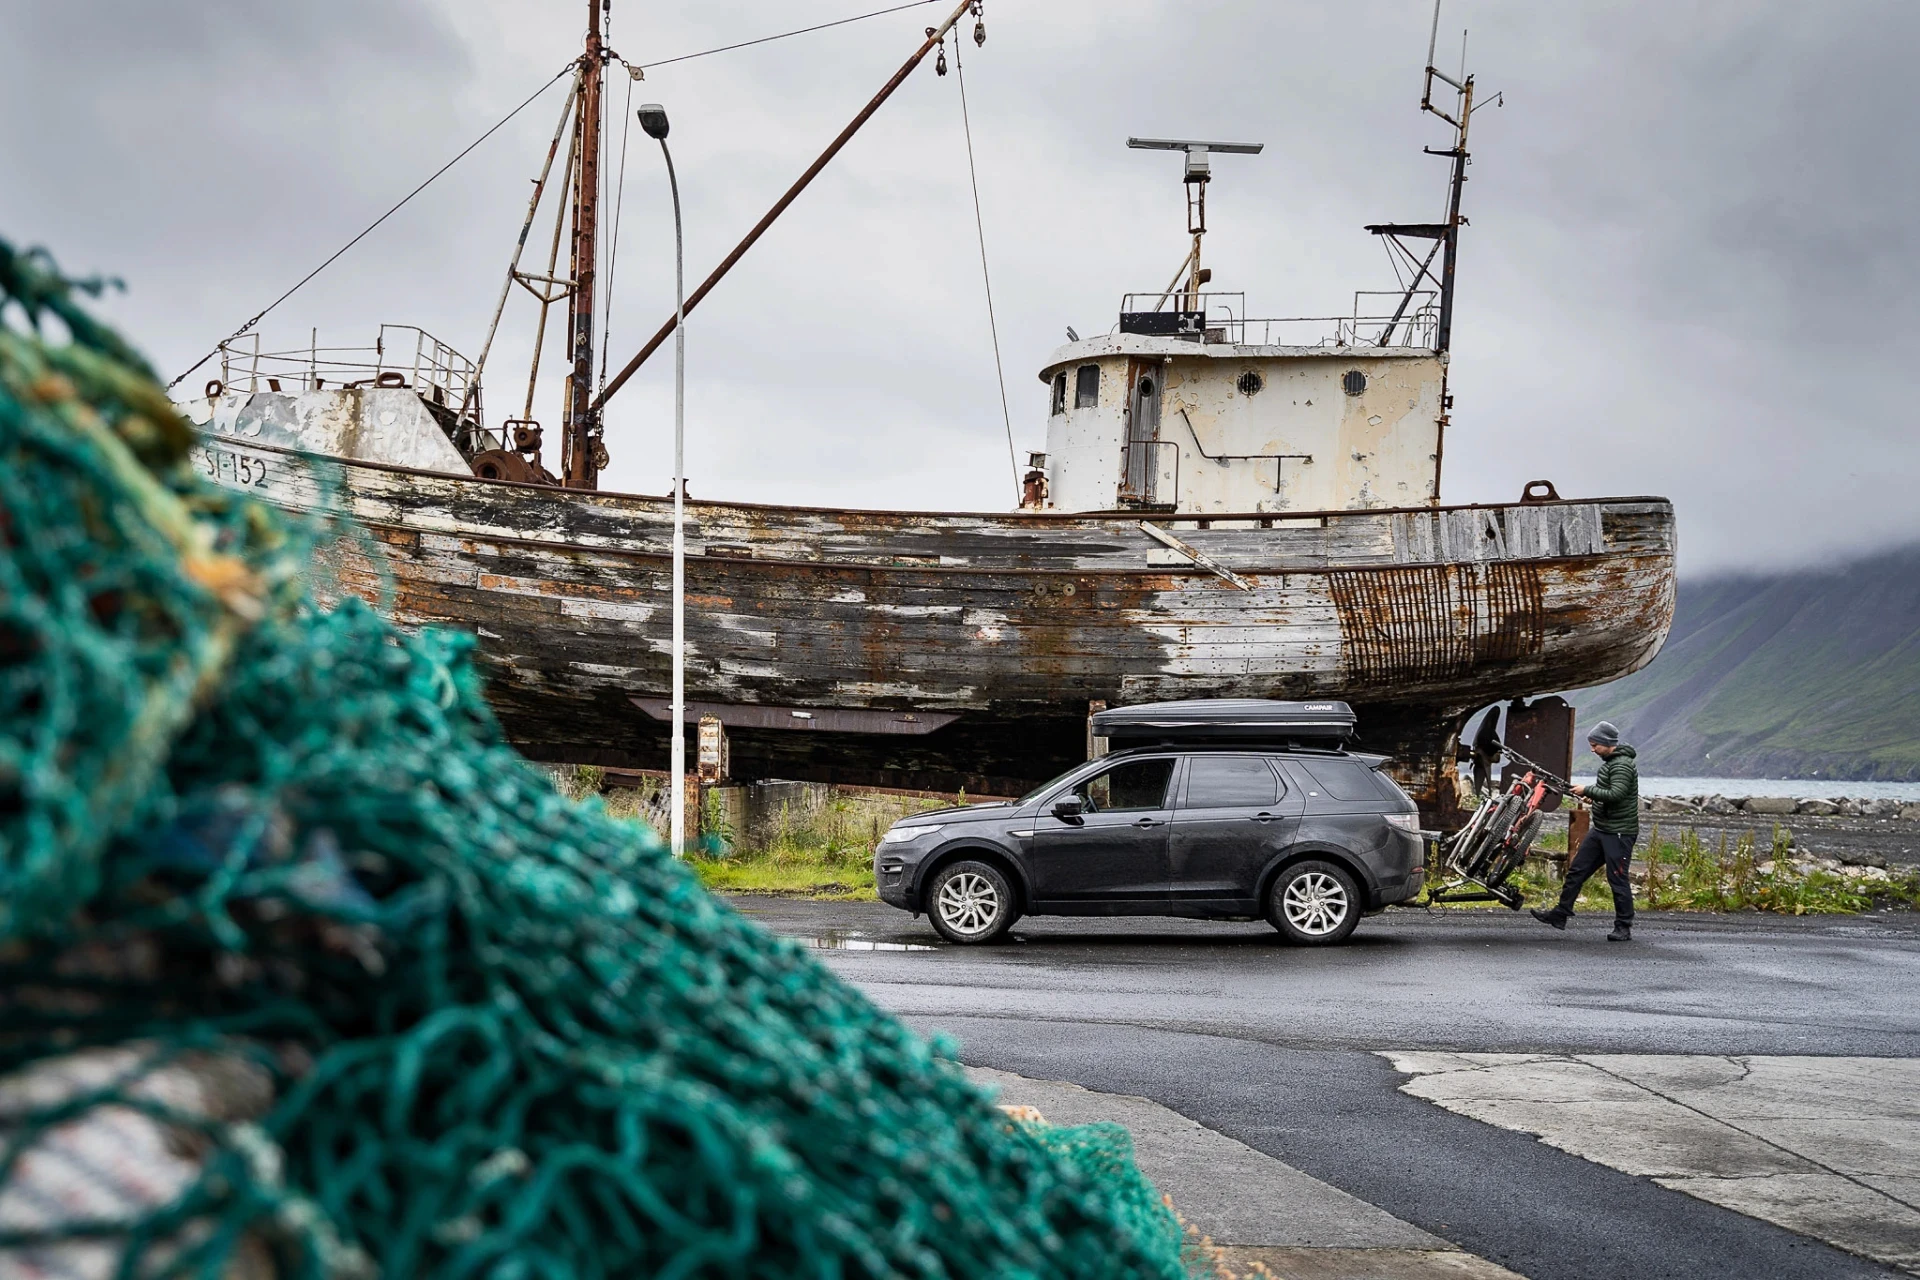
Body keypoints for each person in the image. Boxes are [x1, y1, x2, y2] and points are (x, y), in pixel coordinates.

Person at [1532, 722, 1639, 941]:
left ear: (1607, 744)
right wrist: (1593, 797)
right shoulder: (1612, 763)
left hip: (1619, 832)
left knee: (1617, 878)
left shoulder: (1622, 765)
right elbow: (1609, 793)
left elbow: (1617, 794)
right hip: (1601, 829)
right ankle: (1560, 914)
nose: (1592, 749)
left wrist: (1588, 790)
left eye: (1595, 745)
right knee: (1577, 870)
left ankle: (1624, 926)